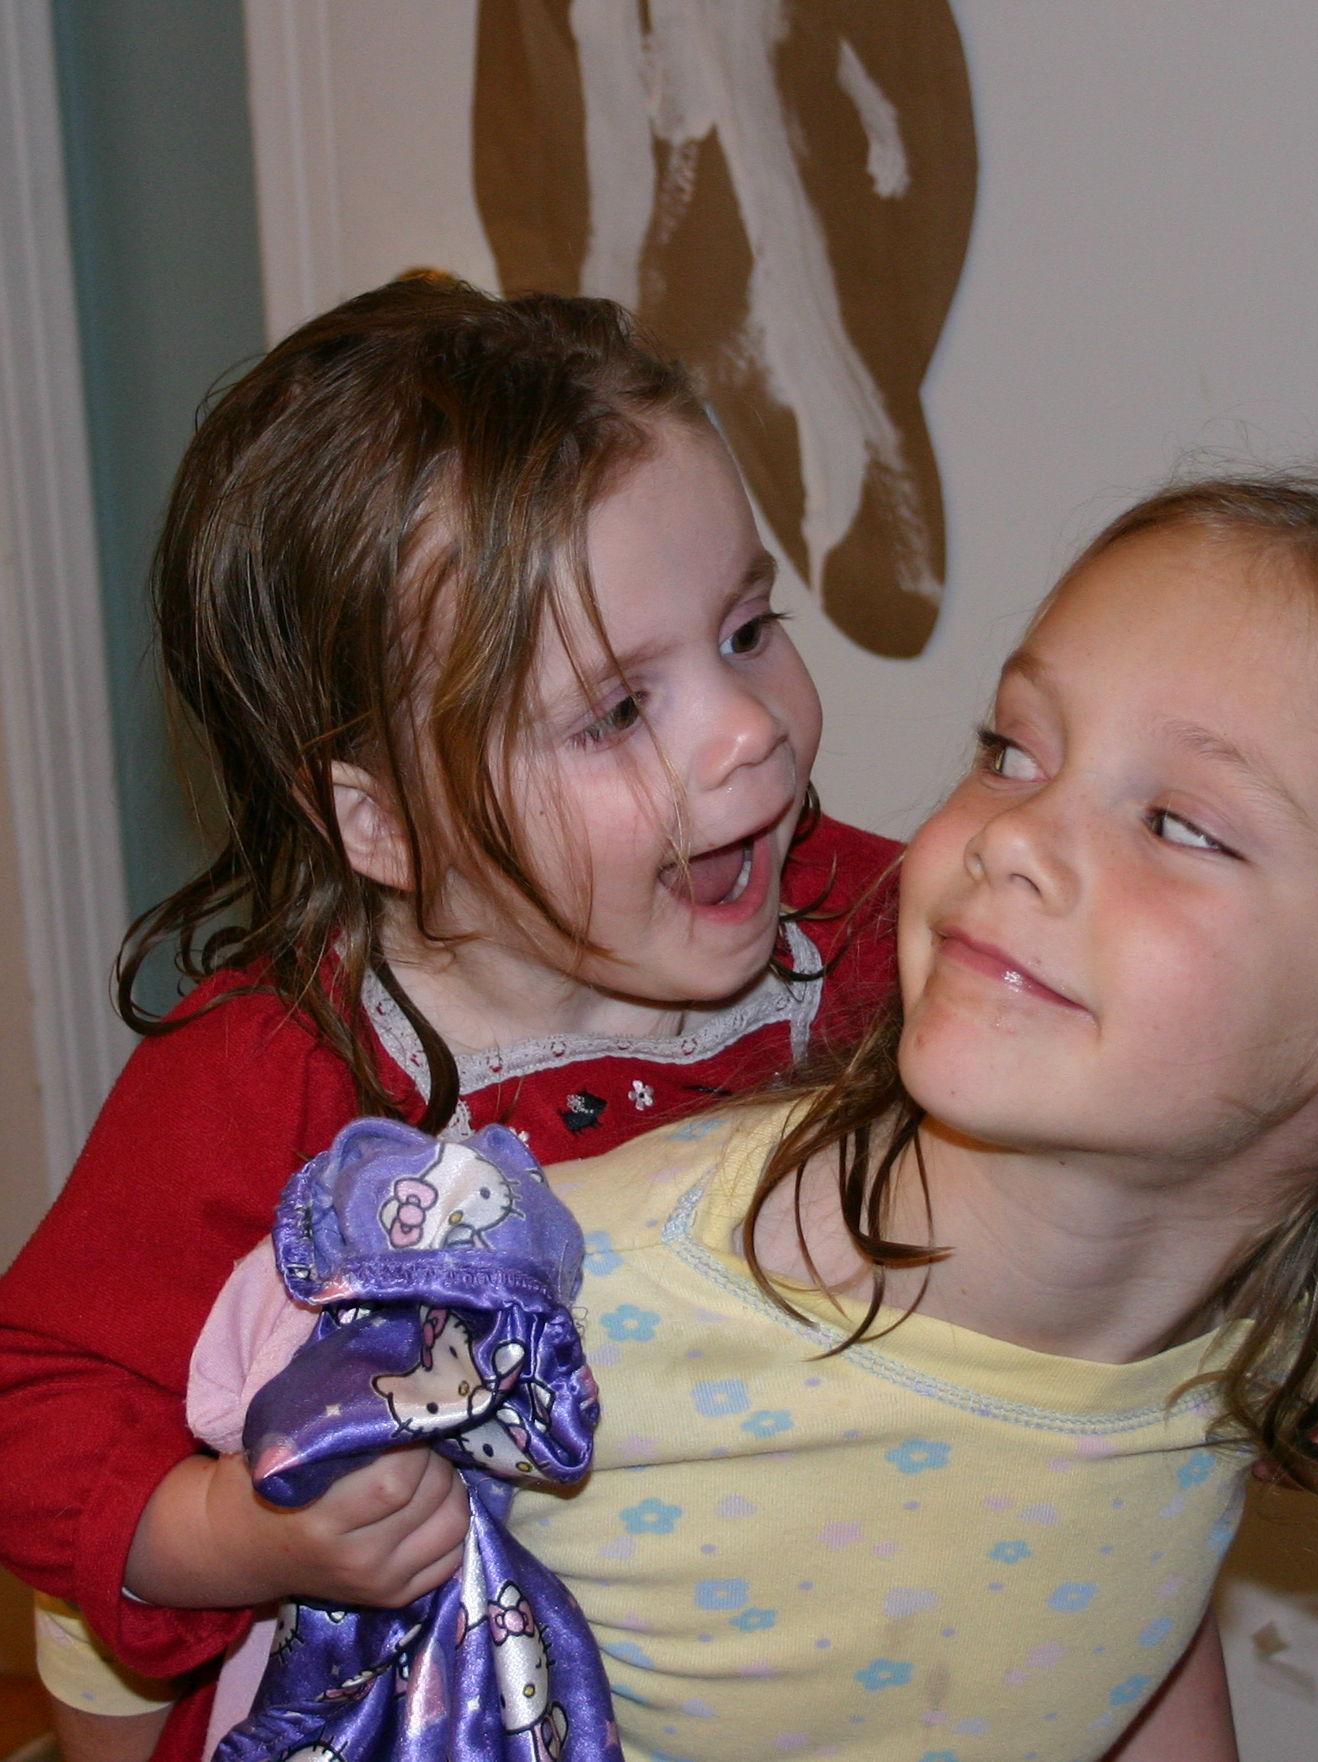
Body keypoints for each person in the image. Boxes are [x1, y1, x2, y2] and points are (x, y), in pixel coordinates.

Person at [477, 474, 1318, 1758]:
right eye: (1011, 751)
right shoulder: (561, 1300)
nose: (1014, 837)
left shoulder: (1254, 1358)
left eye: (1177, 824)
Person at [0, 275, 898, 1762]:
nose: (749, 729)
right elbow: (32, 1397)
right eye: (617, 711)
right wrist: (242, 1533)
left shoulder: (864, 931)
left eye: (747, 628)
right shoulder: (282, 1062)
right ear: (384, 825)